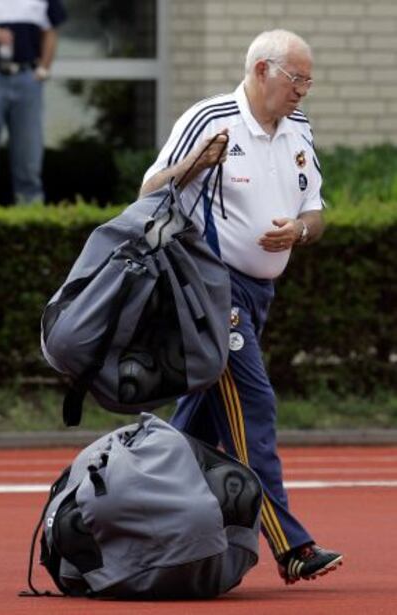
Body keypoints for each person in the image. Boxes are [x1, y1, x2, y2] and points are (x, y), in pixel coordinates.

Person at [140, 29, 343, 585]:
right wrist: (195, 166)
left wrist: (299, 230)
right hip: (212, 290)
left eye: (308, 80)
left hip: (261, 293)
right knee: (254, 405)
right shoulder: (210, 119)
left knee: (195, 429)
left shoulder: (298, 128)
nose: (304, 90)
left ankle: (145, 517)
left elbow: (317, 210)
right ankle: (291, 545)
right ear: (260, 71)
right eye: (295, 78)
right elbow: (149, 192)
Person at [0, 0, 67, 209]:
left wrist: (43, 71)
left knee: (29, 160)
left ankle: (29, 225)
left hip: (27, 79)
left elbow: (51, 31)